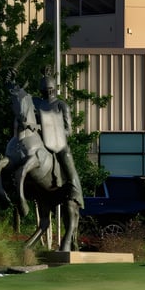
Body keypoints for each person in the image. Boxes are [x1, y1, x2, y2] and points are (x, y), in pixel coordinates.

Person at [32, 73, 84, 208]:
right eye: (45, 91)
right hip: (37, 142)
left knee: (67, 157)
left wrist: (52, 132)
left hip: (57, 143)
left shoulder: (62, 105)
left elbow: (69, 130)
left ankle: (74, 188)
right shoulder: (36, 103)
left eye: (49, 90)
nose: (47, 93)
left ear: (54, 90)